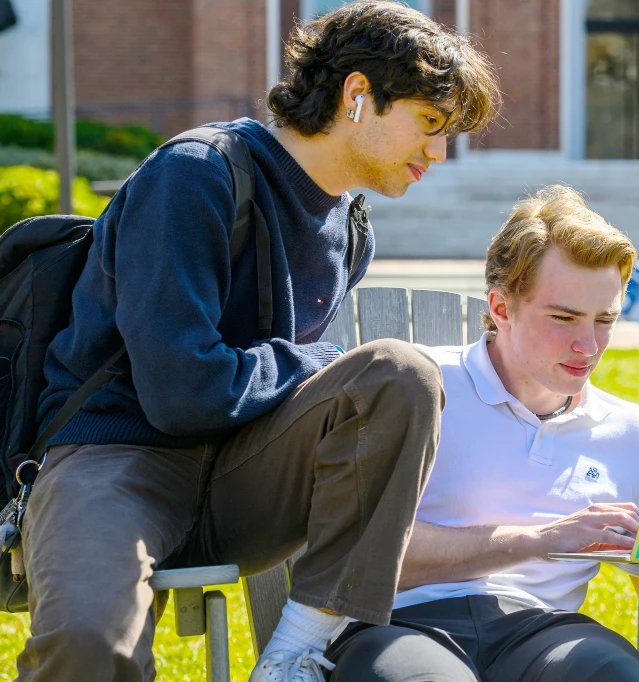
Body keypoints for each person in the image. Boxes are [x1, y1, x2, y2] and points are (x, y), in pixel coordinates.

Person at [16, 3, 500, 681]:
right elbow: (181, 393)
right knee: (91, 646)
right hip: (121, 456)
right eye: (429, 123)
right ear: (358, 94)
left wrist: (315, 376)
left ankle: (293, 652)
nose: (437, 153)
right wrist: (315, 362)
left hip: (245, 477)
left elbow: (284, 397)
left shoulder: (350, 231)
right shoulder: (197, 173)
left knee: (400, 373)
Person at [324, 185, 639, 682]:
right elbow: (354, 558)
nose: (588, 345)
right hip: (400, 625)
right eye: (563, 318)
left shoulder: (629, 431)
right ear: (500, 308)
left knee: (613, 674)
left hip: (545, 634)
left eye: (606, 320)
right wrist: (543, 539)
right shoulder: (421, 388)